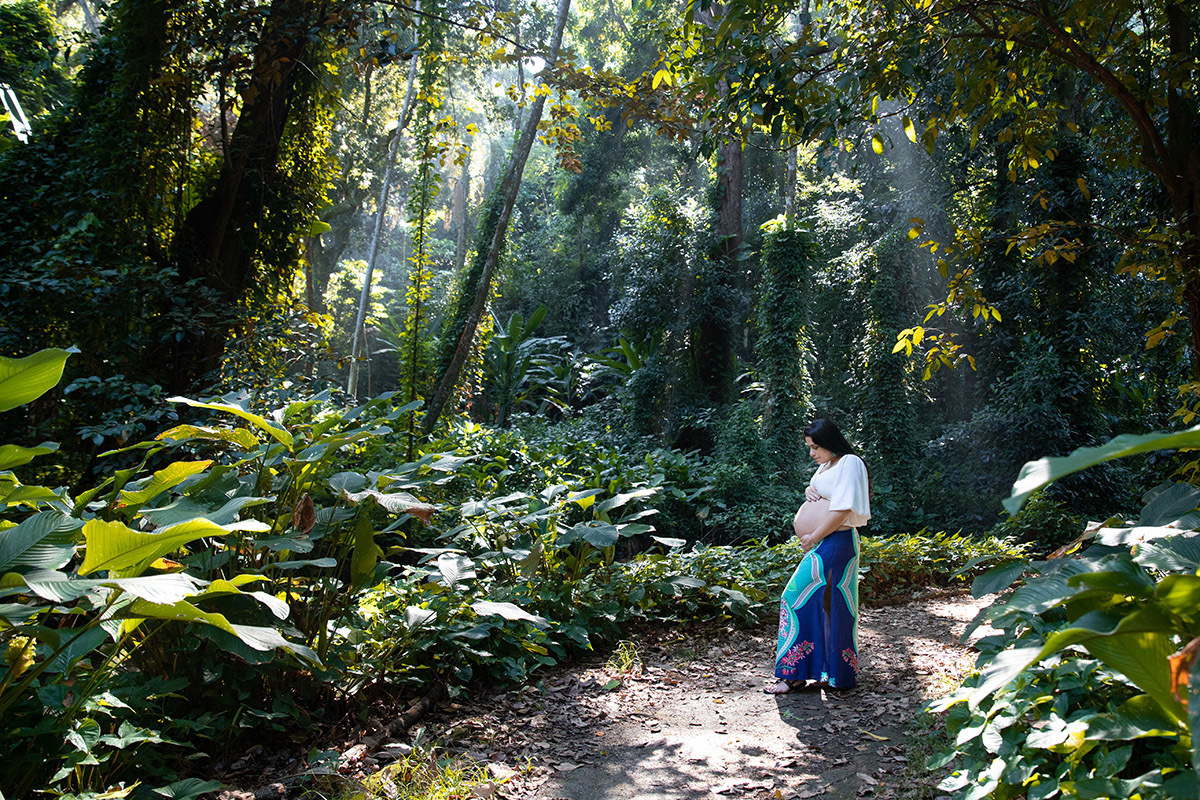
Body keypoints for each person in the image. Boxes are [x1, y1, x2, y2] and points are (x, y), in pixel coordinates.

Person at [766, 419, 870, 693]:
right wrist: (808, 490)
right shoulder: (827, 465)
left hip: (837, 542)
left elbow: (842, 508)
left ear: (830, 442)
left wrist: (814, 536)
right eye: (809, 448)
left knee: (795, 597)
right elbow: (821, 494)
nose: (811, 453)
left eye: (815, 447)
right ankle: (824, 673)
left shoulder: (850, 462)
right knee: (827, 605)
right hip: (827, 541)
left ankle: (797, 673)